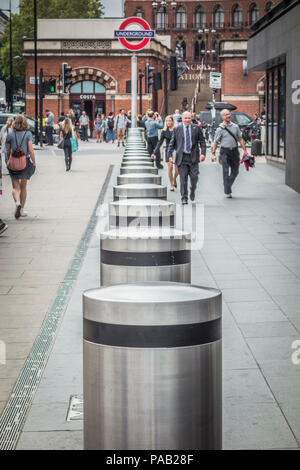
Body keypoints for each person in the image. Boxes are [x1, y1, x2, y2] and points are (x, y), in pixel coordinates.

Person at [168, 111, 206, 204]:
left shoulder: (196, 128)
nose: (188, 120)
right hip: (182, 158)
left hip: (193, 157)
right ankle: (184, 197)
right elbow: (172, 143)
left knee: (194, 178)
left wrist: (203, 153)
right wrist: (169, 155)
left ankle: (192, 190)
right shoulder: (177, 129)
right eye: (186, 118)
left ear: (191, 118)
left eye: (189, 118)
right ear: (182, 119)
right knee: (183, 179)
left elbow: (202, 142)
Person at [6, 114, 36, 219]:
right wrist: (34, 162)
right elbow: (31, 150)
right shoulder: (28, 134)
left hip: (12, 162)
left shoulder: (10, 134)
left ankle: (17, 203)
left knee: (15, 186)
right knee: (23, 186)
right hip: (24, 162)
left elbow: (7, 151)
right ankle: (22, 209)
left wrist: (8, 161)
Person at [212, 109, 247, 198]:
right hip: (224, 152)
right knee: (226, 171)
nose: (228, 116)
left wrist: (245, 150)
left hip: (235, 152)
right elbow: (215, 142)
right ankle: (227, 191)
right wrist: (213, 153)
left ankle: (227, 186)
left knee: (235, 171)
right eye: (226, 115)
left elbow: (240, 138)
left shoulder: (235, 127)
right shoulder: (220, 129)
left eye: (229, 114)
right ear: (222, 117)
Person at [152, 115, 178, 191]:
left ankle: (175, 179)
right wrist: (154, 152)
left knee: (177, 170)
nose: (168, 122)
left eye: (170, 120)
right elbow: (160, 142)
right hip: (168, 150)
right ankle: (171, 184)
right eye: (167, 121)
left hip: (176, 150)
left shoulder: (177, 130)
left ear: (172, 121)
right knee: (170, 167)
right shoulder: (164, 131)